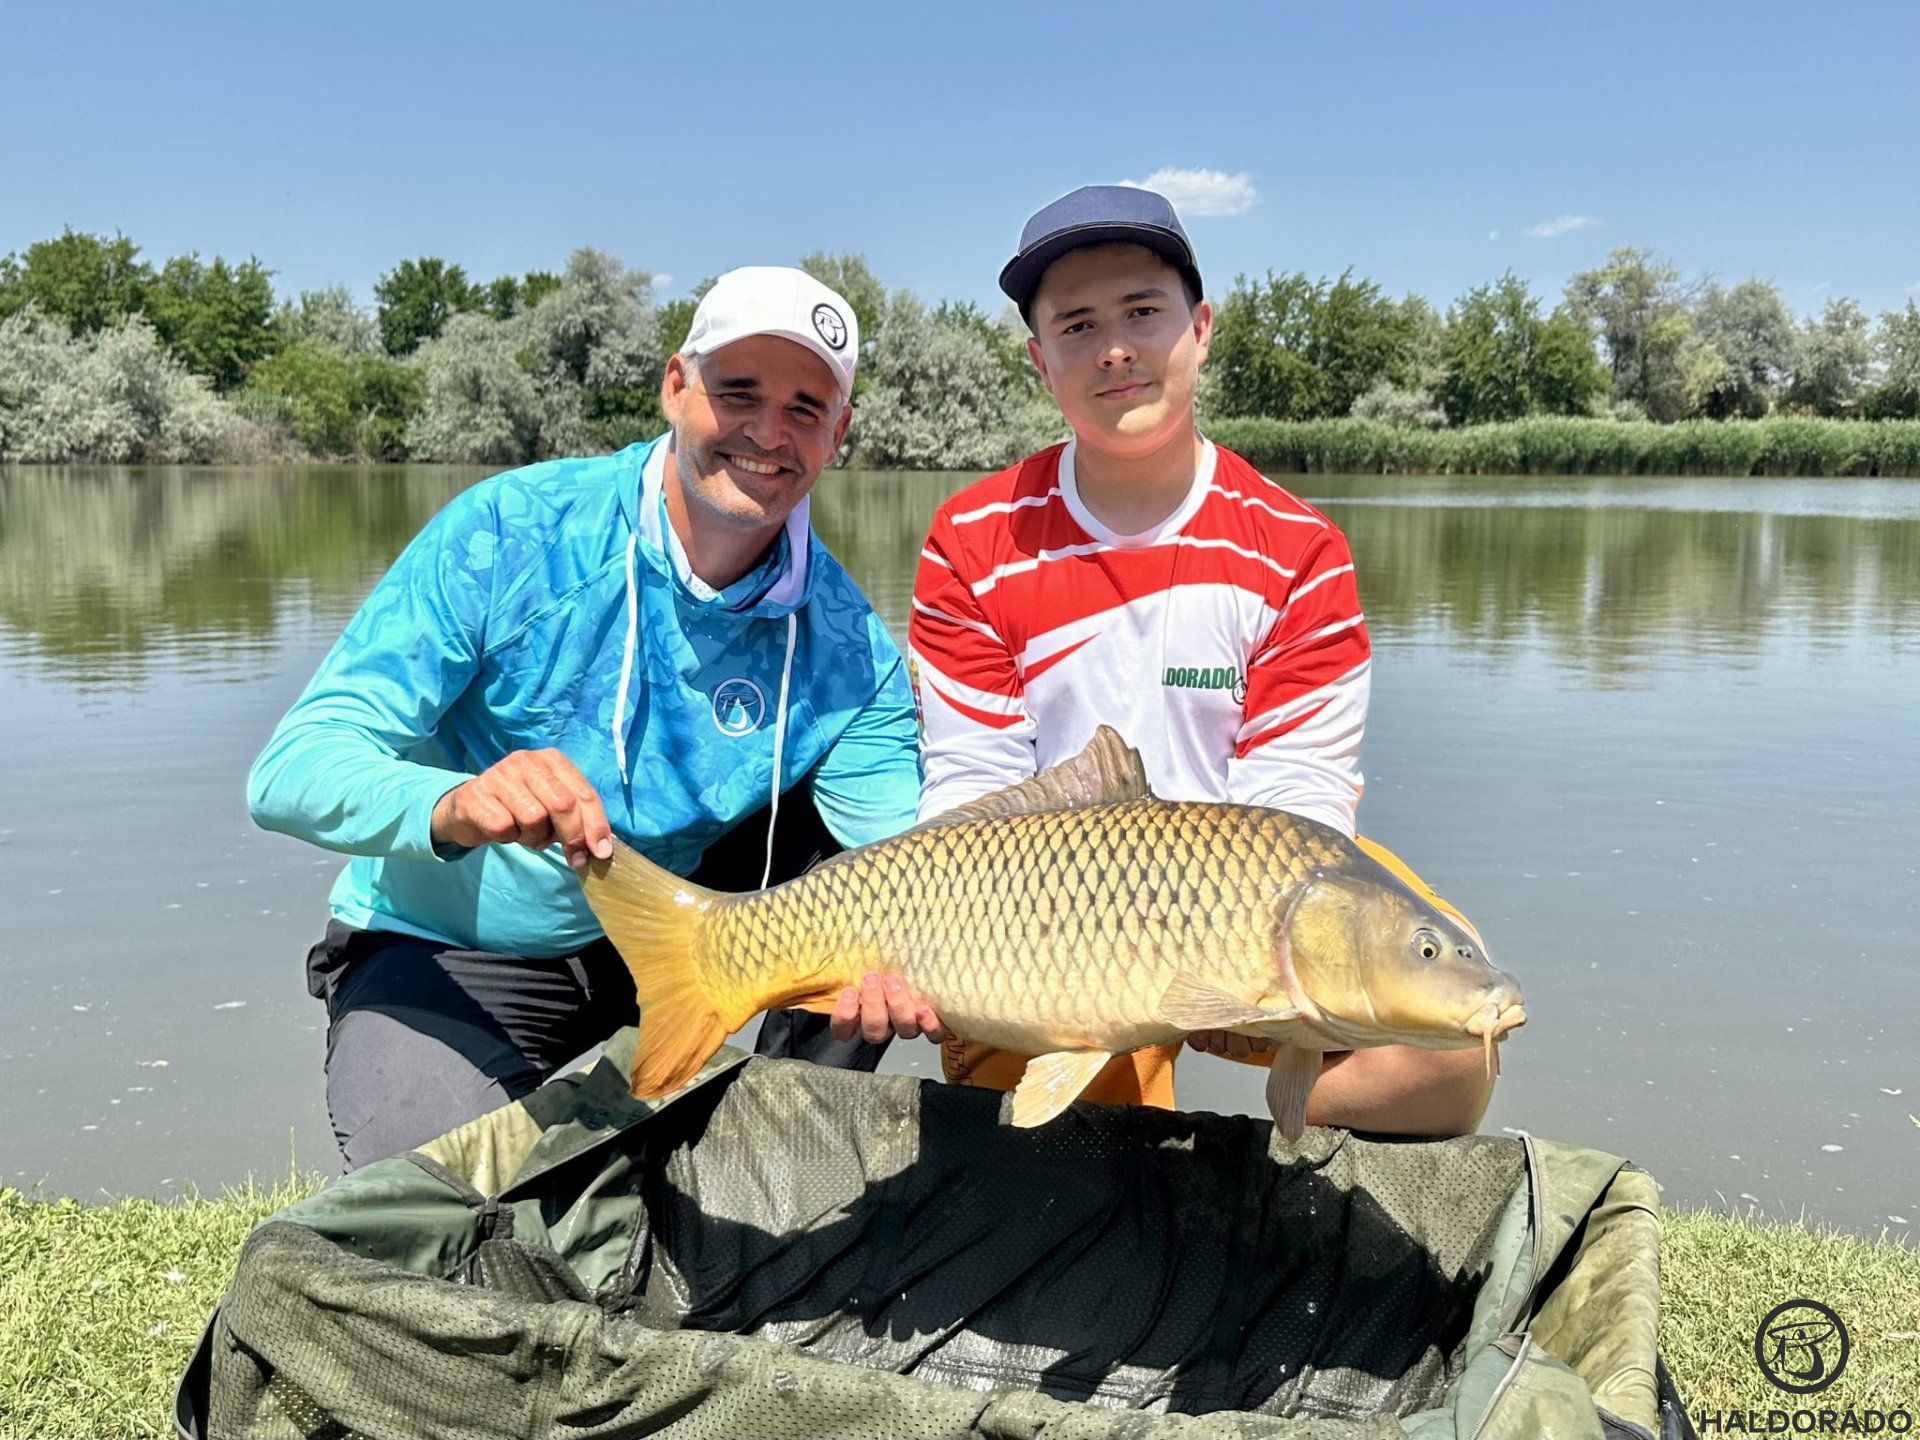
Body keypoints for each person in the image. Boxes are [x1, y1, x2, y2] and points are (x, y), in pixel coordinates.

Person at [249, 267, 941, 1170]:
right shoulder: (511, 532)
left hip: (674, 948)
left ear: (839, 434)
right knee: (447, 1188)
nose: (769, 433)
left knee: (885, 887)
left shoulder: (852, 650)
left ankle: (785, 1154)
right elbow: (291, 768)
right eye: (738, 392)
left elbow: (920, 860)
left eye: (806, 408)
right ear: (675, 387)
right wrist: (458, 801)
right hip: (448, 949)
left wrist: (916, 966)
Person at [906, 186, 1495, 1136]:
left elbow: (1302, 798)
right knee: (1065, 1159)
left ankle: (1284, 1144)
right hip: (1038, 903)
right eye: (1077, 325)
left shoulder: (1297, 547)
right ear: (1038, 358)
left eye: (1143, 312)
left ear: (1200, 327)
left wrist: (1254, 982)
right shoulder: (973, 536)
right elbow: (971, 784)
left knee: (1451, 1042)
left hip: (1243, 902)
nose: (1116, 349)